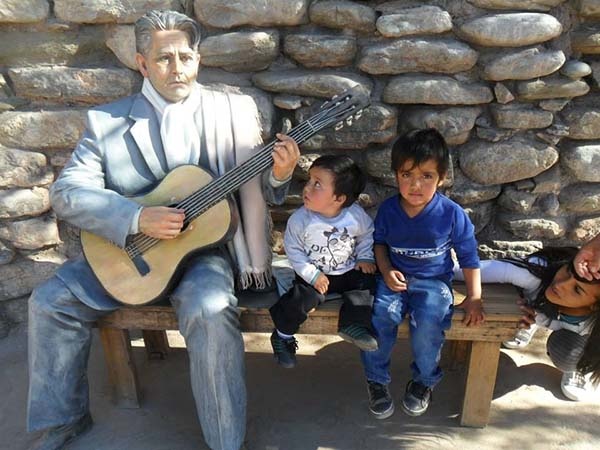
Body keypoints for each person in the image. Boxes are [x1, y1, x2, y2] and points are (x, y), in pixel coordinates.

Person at [27, 10, 300, 450]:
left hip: (202, 255)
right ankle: (61, 422)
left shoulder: (229, 113)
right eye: (164, 58)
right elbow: (67, 192)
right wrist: (135, 218)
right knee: (49, 301)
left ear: (198, 60)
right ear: (142, 64)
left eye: (185, 57)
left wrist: (280, 174)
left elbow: (259, 191)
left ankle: (225, 442)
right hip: (127, 252)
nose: (177, 69)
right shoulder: (107, 123)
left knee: (211, 310)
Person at [361, 129, 484, 420]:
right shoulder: (389, 210)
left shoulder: (451, 214)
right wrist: (386, 271)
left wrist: (475, 297)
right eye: (407, 174)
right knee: (381, 317)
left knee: (429, 323)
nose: (416, 185)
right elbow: (379, 244)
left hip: (433, 284)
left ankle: (424, 380)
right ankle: (376, 380)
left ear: (442, 178)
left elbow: (469, 256)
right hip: (394, 280)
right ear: (396, 175)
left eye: (427, 176)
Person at [269, 155, 378, 368]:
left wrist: (365, 256)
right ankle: (282, 335)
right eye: (309, 180)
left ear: (339, 198)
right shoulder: (301, 219)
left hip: (347, 270)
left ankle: (353, 325)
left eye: (317, 184)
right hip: (315, 275)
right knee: (299, 299)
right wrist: (312, 274)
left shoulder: (355, 216)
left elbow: (367, 234)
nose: (307, 187)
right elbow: (294, 250)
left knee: (366, 284)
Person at [455, 245, 600, 401]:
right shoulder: (534, 272)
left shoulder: (593, 325)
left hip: (575, 329)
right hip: (534, 300)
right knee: (515, 303)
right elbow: (468, 271)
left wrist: (538, 317)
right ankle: (531, 314)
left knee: (571, 355)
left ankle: (577, 368)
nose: (560, 284)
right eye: (568, 271)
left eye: (577, 289)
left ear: (595, 306)